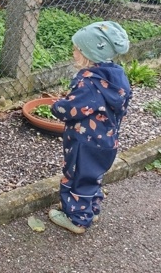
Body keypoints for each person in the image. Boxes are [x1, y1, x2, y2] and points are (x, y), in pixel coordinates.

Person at [49, 21, 132, 234]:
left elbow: (70, 109)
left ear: (89, 54)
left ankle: (77, 220)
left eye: (77, 49)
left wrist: (57, 106)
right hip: (106, 141)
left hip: (84, 143)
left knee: (76, 176)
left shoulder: (89, 84)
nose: (73, 52)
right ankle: (90, 209)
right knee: (92, 176)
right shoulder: (116, 76)